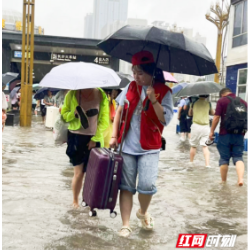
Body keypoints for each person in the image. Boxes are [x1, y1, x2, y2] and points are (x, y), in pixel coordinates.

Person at [109, 51, 173, 237]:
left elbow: (164, 120)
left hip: (149, 147)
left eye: (140, 73)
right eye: (134, 72)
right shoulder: (129, 88)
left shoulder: (164, 91)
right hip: (126, 146)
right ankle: (126, 224)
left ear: (151, 72)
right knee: (126, 186)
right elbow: (119, 112)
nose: (136, 77)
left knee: (147, 185)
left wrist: (153, 100)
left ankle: (143, 212)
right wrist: (114, 137)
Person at [61, 88, 109, 208]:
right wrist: (73, 114)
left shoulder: (101, 94)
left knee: (93, 174)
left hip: (94, 137)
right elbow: (64, 115)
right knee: (78, 173)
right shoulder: (72, 94)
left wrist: (95, 139)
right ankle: (75, 201)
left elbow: (104, 119)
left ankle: (89, 202)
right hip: (76, 136)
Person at [209, 88, 248, 186]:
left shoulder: (222, 101)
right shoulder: (243, 102)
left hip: (224, 134)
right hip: (239, 134)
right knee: (238, 156)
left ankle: (223, 182)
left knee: (224, 159)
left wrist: (212, 131)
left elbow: (216, 117)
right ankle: (240, 179)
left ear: (222, 94)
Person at [188, 95, 215, 168]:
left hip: (196, 126)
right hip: (205, 127)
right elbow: (212, 113)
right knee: (205, 146)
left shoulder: (193, 103)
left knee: (193, 146)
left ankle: (191, 162)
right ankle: (207, 164)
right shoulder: (208, 103)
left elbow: (190, 114)